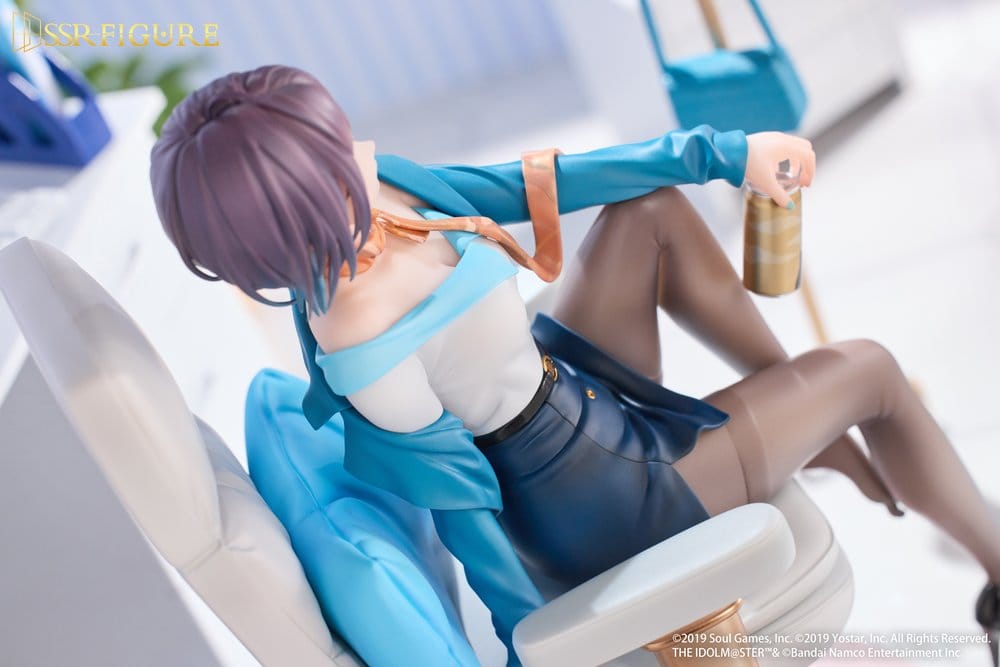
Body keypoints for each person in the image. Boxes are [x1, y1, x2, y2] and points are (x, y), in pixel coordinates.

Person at [150, 65, 1000, 666]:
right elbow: (464, 512)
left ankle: (809, 419)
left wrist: (722, 153)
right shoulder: (362, 345)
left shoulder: (380, 190)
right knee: (871, 368)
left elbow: (536, 182)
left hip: (555, 376)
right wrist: (538, 642)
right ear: (288, 215)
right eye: (334, 159)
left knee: (649, 211)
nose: (359, 153)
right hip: (592, 497)